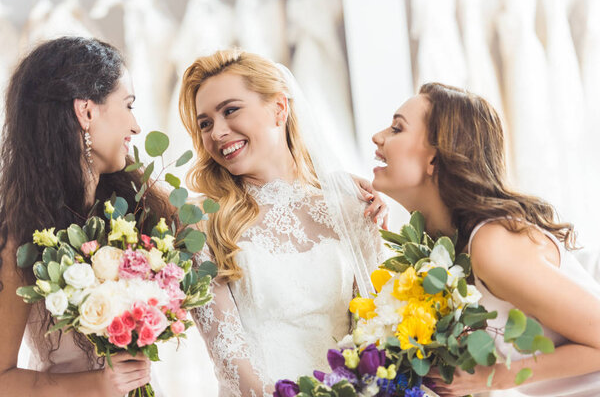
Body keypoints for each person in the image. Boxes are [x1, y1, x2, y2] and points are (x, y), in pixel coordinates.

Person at [178, 49, 386, 396]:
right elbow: (232, 362)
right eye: (205, 123)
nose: (218, 132)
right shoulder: (202, 225)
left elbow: (375, 333)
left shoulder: (351, 209)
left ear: (279, 108)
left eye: (230, 111)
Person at [371, 82, 600, 396]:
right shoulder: (446, 247)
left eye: (397, 128)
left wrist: (495, 377)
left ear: (434, 160)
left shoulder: (492, 246)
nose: (378, 136)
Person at [0, 37, 172, 396]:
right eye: (128, 105)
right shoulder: (18, 238)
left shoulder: (135, 206)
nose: (137, 127)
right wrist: (97, 384)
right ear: (86, 112)